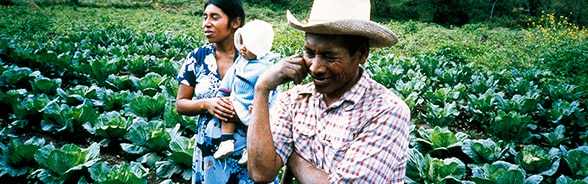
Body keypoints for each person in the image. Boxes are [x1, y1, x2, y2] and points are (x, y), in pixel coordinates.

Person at [246, 0, 411, 183]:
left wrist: (292, 156)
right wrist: (262, 89)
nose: (315, 68)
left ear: (362, 54)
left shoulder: (386, 111)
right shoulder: (294, 100)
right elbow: (261, 173)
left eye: (329, 56)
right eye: (309, 53)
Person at [175, 0, 277, 183]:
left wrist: (244, 114)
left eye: (215, 17)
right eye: (205, 17)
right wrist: (207, 103)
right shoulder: (197, 57)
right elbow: (181, 104)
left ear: (235, 23)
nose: (206, 23)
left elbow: (274, 103)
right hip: (210, 152)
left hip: (251, 151)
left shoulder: (256, 57)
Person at [213, 19, 279, 165]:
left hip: (253, 106)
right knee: (227, 112)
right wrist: (223, 92)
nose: (242, 48)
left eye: (247, 44)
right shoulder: (240, 62)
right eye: (241, 43)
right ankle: (227, 141)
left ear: (259, 46)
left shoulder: (266, 68)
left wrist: (263, 105)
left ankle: (250, 150)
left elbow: (272, 90)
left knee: (252, 127)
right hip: (237, 99)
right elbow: (230, 76)